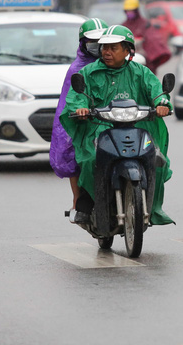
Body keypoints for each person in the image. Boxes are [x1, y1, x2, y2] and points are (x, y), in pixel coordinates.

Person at [59, 25, 174, 226]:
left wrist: (162, 103)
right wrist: (81, 108)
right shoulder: (89, 72)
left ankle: (150, 204)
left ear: (128, 50)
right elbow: (77, 97)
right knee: (90, 159)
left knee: (155, 158)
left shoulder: (140, 72)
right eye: (104, 48)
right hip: (99, 129)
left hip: (137, 127)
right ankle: (87, 206)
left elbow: (156, 90)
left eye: (113, 48)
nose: (107, 52)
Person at [49, 18, 108, 217]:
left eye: (103, 42)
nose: (99, 47)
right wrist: (81, 110)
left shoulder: (120, 65)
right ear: (83, 43)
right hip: (86, 122)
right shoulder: (78, 70)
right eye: (93, 42)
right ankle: (78, 200)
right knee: (77, 153)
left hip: (114, 119)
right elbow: (72, 99)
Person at [121, 0, 171, 74]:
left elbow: (154, 41)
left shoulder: (145, 25)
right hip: (126, 63)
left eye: (131, 11)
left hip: (144, 62)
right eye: (128, 11)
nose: (129, 13)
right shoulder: (123, 27)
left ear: (136, 11)